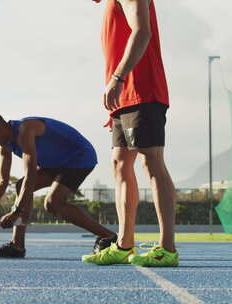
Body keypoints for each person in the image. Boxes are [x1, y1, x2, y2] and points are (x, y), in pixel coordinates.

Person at [82, 0, 178, 267]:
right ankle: (124, 245)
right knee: (120, 163)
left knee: (151, 161)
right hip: (123, 98)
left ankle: (167, 248)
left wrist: (118, 78)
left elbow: (142, 31)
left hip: (142, 90)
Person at [0, 111, 116, 258]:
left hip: (79, 156)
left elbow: (30, 174)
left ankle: (108, 236)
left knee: (53, 203)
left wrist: (16, 212)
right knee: (20, 186)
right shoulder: (5, 145)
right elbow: (1, 181)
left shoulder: (25, 130)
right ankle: (17, 246)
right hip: (55, 163)